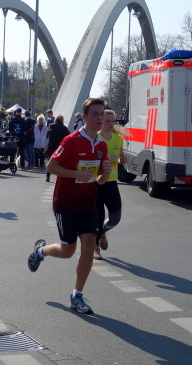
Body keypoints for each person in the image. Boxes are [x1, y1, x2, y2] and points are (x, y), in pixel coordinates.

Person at [27, 98, 111, 315]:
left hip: (88, 202)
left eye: (102, 114)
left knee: (89, 245)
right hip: (66, 202)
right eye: (95, 114)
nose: (100, 118)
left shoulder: (101, 145)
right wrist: (75, 174)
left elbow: (100, 180)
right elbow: (51, 166)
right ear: (85, 117)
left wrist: (106, 172)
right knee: (67, 251)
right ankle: (40, 251)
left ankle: (77, 295)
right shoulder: (71, 140)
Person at [94, 109, 128, 260]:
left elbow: (120, 157)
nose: (111, 124)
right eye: (108, 121)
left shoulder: (118, 139)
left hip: (112, 181)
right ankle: (95, 246)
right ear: (101, 122)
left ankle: (102, 232)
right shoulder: (96, 138)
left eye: (113, 121)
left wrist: (122, 160)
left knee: (115, 217)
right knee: (98, 215)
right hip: (97, 181)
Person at [44, 114, 70, 183]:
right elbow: (68, 137)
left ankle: (48, 176)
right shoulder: (64, 128)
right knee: (60, 162)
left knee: (49, 161)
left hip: (51, 146)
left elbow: (47, 135)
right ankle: (58, 177)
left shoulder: (51, 126)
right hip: (59, 147)